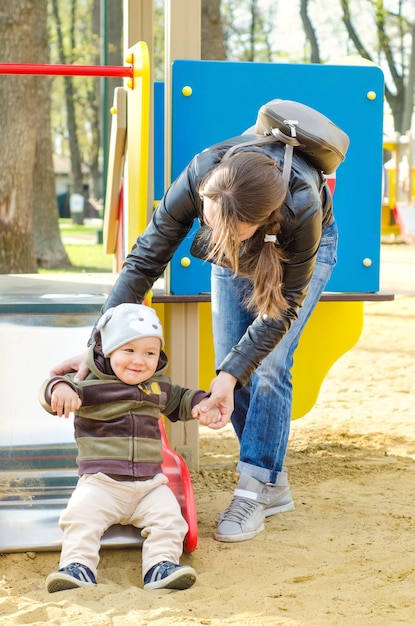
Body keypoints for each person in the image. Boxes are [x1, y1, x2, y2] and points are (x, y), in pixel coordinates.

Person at [51, 133, 338, 544]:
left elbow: (280, 311)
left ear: (261, 220)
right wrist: (98, 343)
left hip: (294, 251)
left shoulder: (302, 207)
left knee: (268, 362)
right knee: (230, 359)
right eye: (211, 222)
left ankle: (255, 488)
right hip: (237, 240)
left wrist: (232, 374)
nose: (216, 232)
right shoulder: (203, 173)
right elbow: (145, 259)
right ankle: (271, 481)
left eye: (230, 228)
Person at [39, 303, 223, 593]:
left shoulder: (157, 387)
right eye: (129, 351)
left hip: (150, 485)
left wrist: (202, 404)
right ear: (109, 350)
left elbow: (181, 399)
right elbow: (52, 391)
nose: (139, 361)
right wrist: (59, 390)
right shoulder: (90, 386)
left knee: (170, 520)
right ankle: (77, 567)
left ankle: (161, 566)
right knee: (79, 517)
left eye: (149, 353)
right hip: (101, 483)